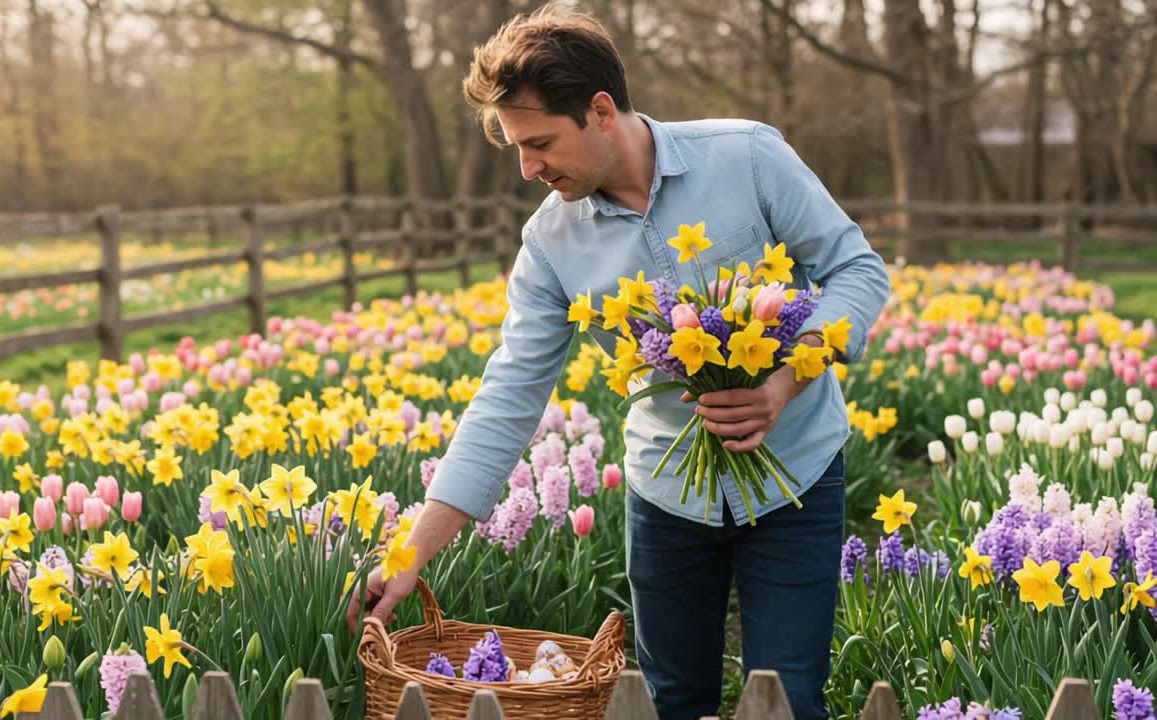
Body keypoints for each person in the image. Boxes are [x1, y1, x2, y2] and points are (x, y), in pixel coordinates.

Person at [345, 5, 890, 718]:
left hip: (796, 473)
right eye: (516, 146)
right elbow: (507, 398)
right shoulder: (550, 244)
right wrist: (408, 555)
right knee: (670, 703)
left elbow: (856, 270)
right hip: (668, 495)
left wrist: (787, 380)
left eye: (540, 142)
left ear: (601, 111)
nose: (527, 167)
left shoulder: (749, 157)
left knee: (787, 700)